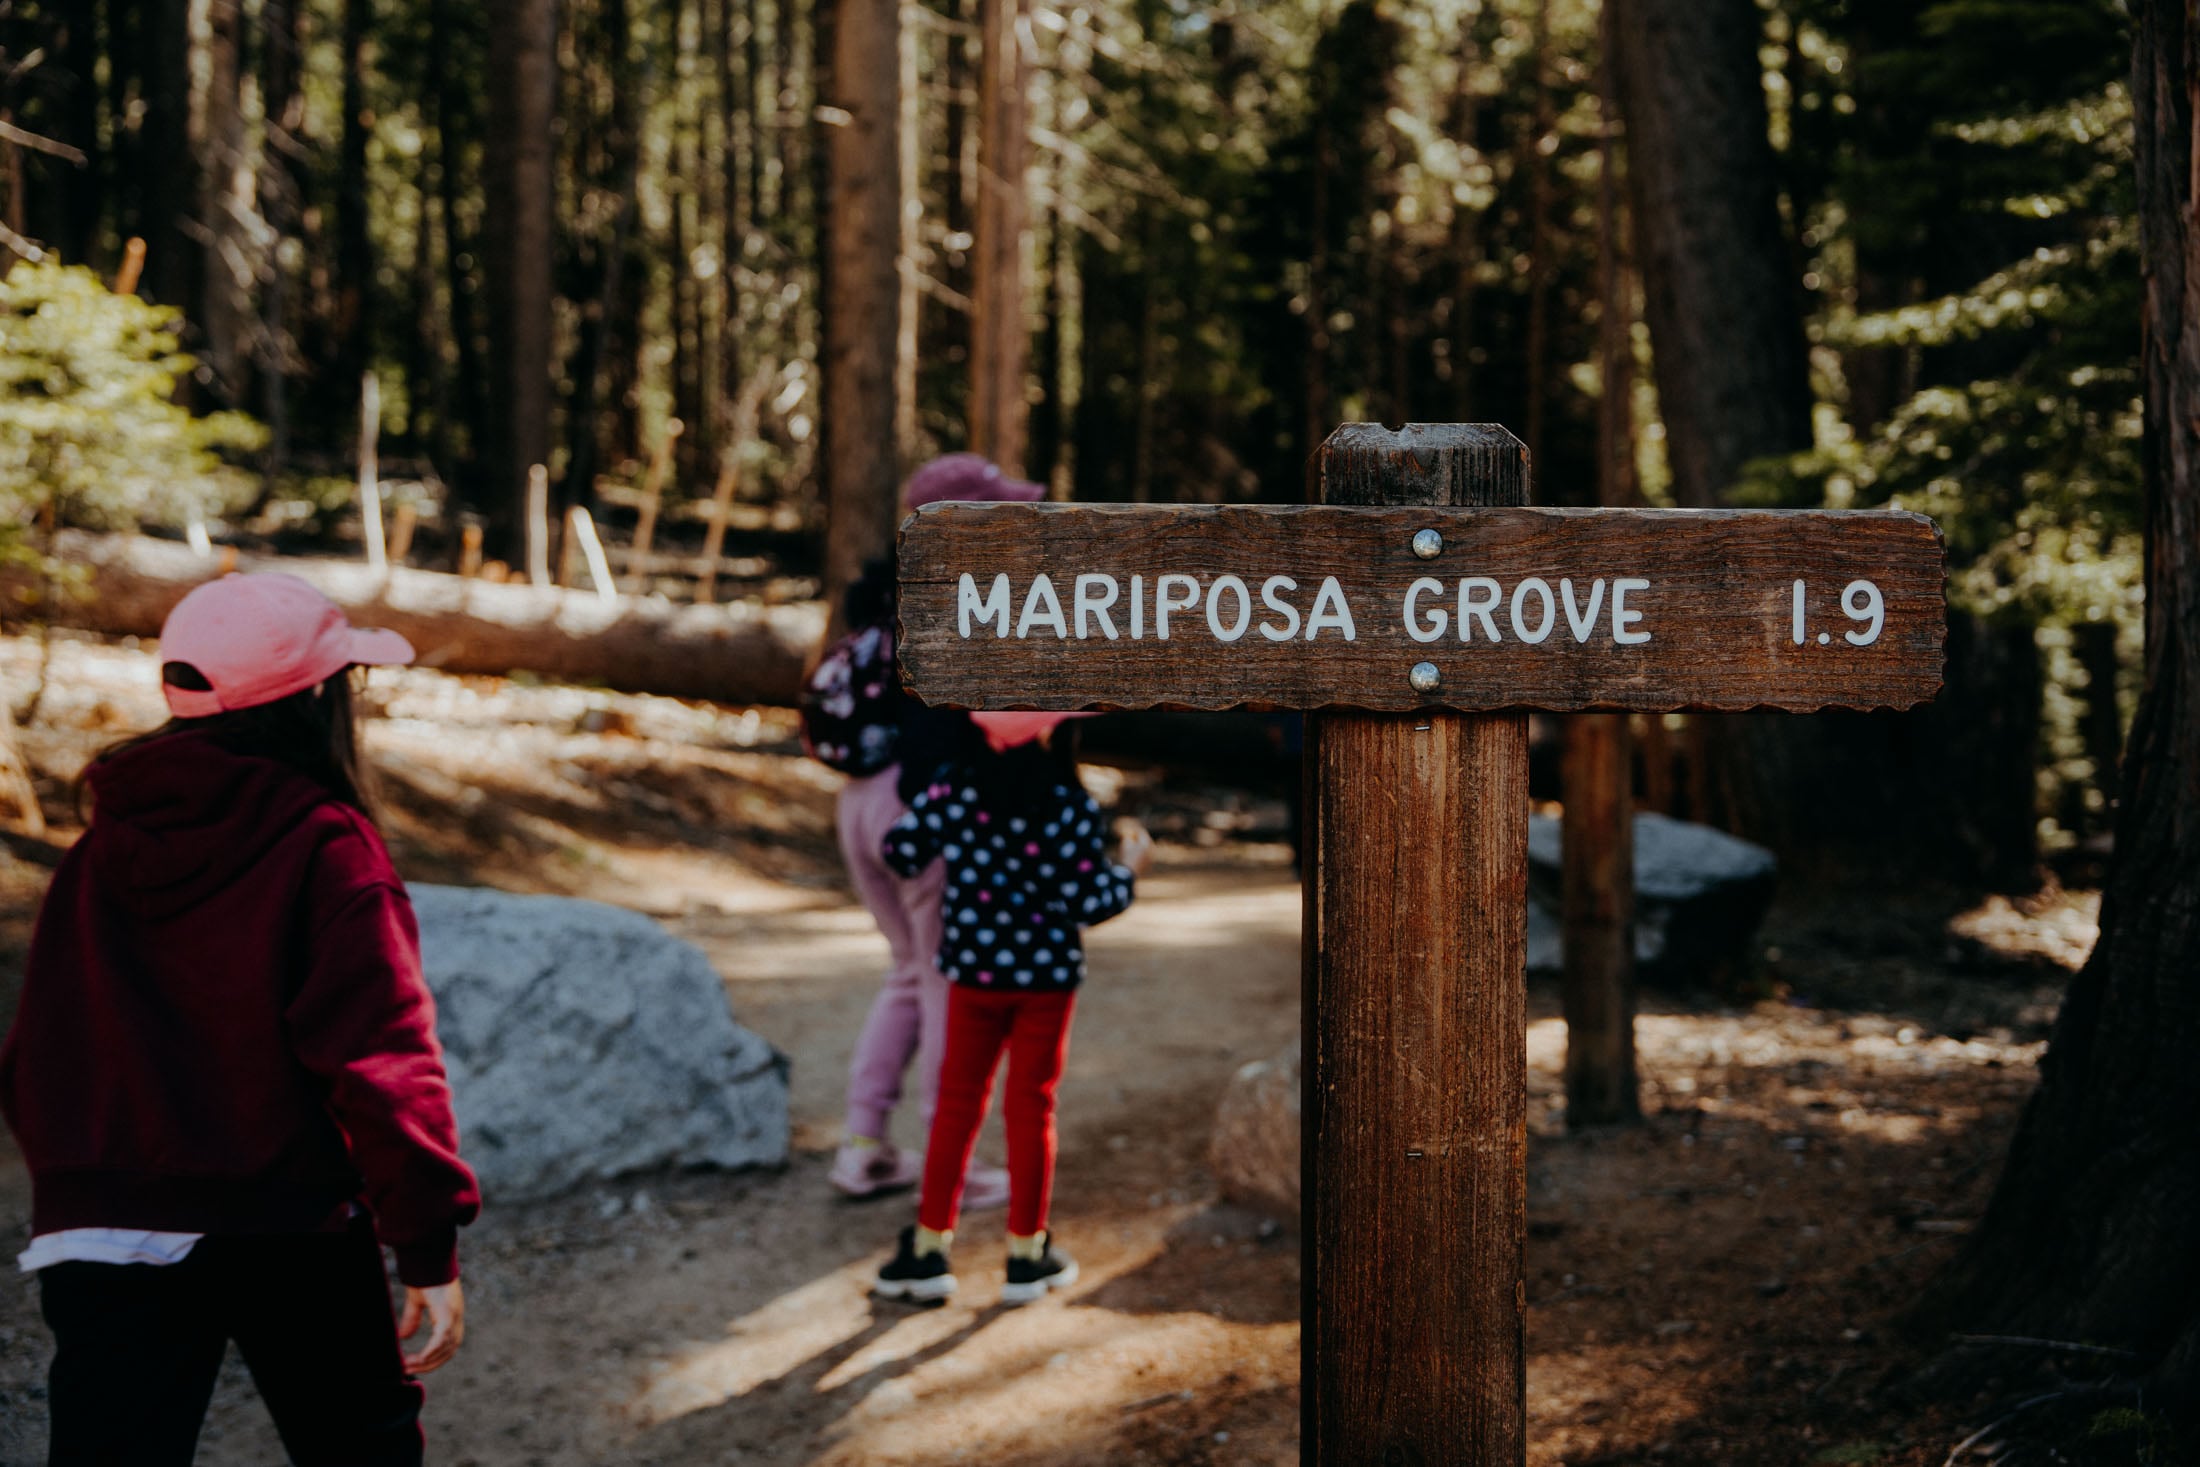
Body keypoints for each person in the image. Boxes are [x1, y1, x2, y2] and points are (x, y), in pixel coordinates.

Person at [0, 573, 481, 1467]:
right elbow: (384, 1058)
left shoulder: (100, 849)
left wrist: (87, 1177)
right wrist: (427, 1244)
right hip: (284, 1215)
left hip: (103, 1225)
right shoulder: (326, 844)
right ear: (312, 699)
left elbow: (37, 1050)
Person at [825, 454, 1047, 1207]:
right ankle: (951, 1161)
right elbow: (956, 736)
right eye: (999, 512)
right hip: (916, 807)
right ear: (959, 523)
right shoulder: (953, 606)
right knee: (951, 982)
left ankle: (863, 1146)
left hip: (860, 801)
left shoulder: (881, 598)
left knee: (907, 974)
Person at [871, 712, 1153, 1306]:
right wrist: (1129, 871)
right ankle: (1026, 1255)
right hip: (1045, 981)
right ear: (1053, 733)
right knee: (1031, 1108)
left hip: (973, 974)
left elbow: (899, 850)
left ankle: (927, 1251)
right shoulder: (1068, 804)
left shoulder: (956, 786)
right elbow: (1090, 901)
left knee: (956, 1106)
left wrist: (955, 832)